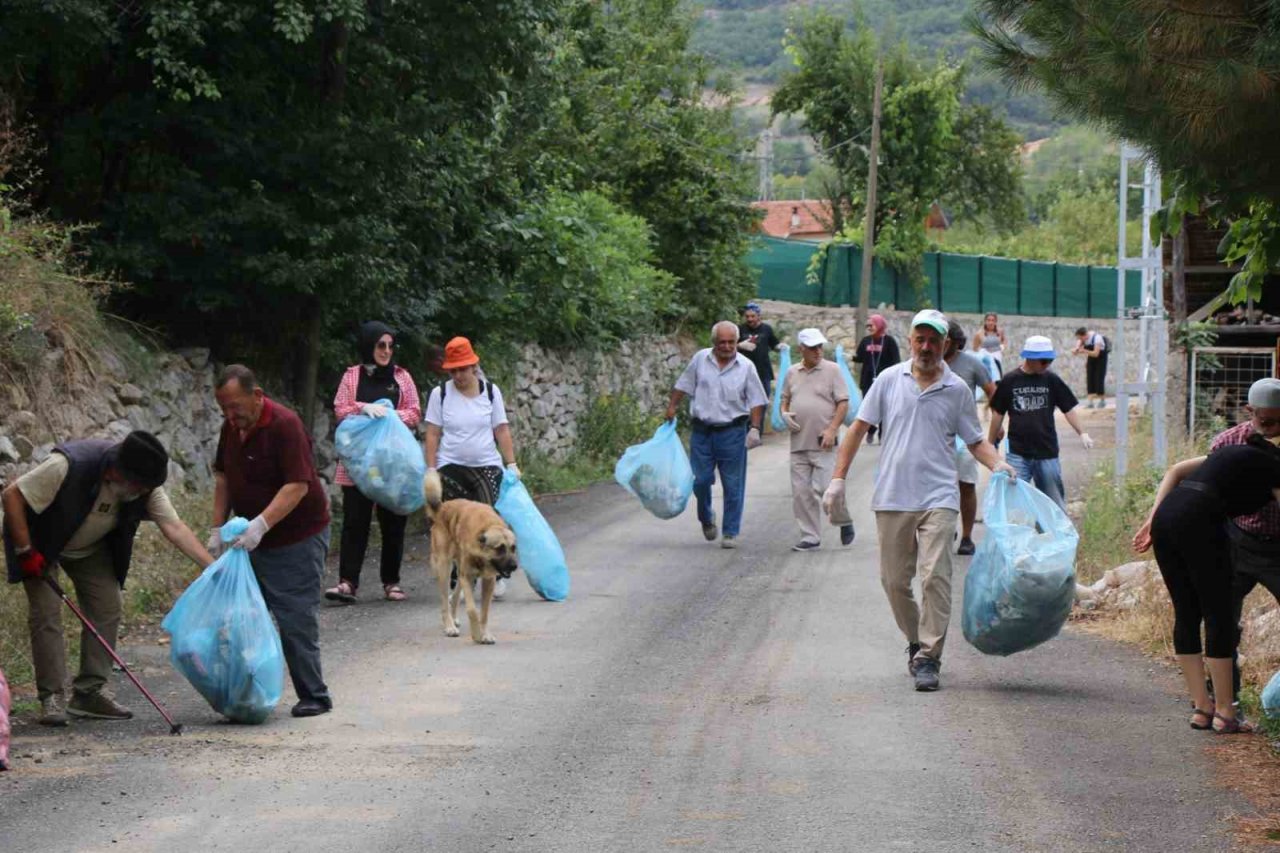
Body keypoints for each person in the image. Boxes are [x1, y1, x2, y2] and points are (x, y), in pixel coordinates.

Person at [823, 309, 1016, 692]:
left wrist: (999, 465)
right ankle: (915, 640)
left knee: (935, 578)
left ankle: (929, 656)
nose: (926, 347)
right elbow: (859, 428)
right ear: (910, 341)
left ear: (946, 345)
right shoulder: (888, 381)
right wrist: (838, 479)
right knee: (894, 582)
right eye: (920, 339)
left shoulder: (957, 389)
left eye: (934, 341)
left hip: (939, 497)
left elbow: (975, 441)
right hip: (893, 495)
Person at [2, 431, 214, 726]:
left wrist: (213, 568)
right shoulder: (68, 465)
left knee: (107, 606)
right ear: (118, 472)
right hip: (40, 544)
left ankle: (88, 694)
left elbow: (174, 527)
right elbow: (12, 494)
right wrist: (25, 550)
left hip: (91, 548)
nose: (143, 494)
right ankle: (51, 696)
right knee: (46, 614)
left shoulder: (145, 486)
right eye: (139, 487)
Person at [1131, 430, 1280, 733]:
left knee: (1187, 612)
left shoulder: (1233, 453)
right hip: (1200, 519)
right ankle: (1225, 712)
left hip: (1168, 516)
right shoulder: (1276, 467)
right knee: (1219, 614)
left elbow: (1175, 470)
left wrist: (1152, 519)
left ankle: (1202, 707)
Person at [211, 365, 334, 718]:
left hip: (298, 537)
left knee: (294, 616)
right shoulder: (231, 429)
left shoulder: (285, 425)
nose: (231, 416)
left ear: (258, 395)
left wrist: (261, 524)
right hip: (247, 543)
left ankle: (315, 694)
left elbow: (297, 485)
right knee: (242, 618)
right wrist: (215, 530)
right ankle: (244, 696)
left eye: (235, 407)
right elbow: (223, 479)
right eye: (224, 409)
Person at [325, 322, 422, 604]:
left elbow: (415, 412)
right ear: (368, 345)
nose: (386, 351)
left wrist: (391, 417)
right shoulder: (352, 377)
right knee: (356, 521)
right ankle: (347, 582)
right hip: (359, 464)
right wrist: (364, 409)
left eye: (390, 346)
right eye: (381, 345)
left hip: (393, 465)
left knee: (394, 521)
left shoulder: (402, 378)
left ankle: (391, 581)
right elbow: (341, 409)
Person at [423, 336, 521, 598]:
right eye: (453, 370)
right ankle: (461, 580)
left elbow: (501, 428)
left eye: (462, 369)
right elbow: (432, 433)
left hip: (486, 465)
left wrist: (511, 464)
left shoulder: (491, 392)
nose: (458, 375)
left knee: (490, 522)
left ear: (473, 366)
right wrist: (431, 469)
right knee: (457, 526)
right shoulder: (440, 394)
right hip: (451, 465)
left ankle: (496, 573)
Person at [665, 320, 769, 549]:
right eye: (722, 342)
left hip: (732, 432)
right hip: (702, 432)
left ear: (736, 341)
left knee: (733, 484)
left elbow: (757, 400)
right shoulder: (700, 360)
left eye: (731, 342)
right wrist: (672, 407)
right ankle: (706, 516)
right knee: (699, 481)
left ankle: (730, 531)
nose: (727, 346)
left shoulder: (745, 367)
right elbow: (683, 384)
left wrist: (754, 428)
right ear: (714, 342)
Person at [1208, 377, 1280, 703]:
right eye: (1265, 421)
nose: (1273, 428)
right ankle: (1225, 700)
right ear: (1249, 411)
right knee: (1222, 621)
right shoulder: (1227, 444)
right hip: (1237, 542)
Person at [987, 335, 1093, 513]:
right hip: (1018, 453)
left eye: (1049, 360)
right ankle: (1019, 537)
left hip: (1047, 451)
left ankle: (1057, 538)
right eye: (1043, 361)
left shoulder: (1051, 380)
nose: (1047, 364)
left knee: (1053, 502)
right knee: (1014, 502)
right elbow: (998, 412)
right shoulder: (1010, 380)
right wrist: (990, 444)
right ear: (1029, 358)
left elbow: (1068, 409)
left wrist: (1082, 432)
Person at [779, 328, 855, 551]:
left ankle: (843, 520)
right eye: (812, 347)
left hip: (824, 441)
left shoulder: (832, 370)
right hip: (798, 441)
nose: (818, 351)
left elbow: (843, 402)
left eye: (820, 347)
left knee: (826, 489)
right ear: (801, 348)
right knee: (801, 493)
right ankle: (810, 536)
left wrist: (832, 429)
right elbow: (785, 398)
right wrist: (784, 413)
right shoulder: (793, 372)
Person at [942, 320, 998, 555]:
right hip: (934, 436)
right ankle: (944, 529)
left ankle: (966, 536)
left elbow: (993, 392)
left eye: (944, 339)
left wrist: (998, 420)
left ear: (954, 343)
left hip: (964, 437)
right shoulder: (926, 363)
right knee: (939, 487)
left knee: (966, 485)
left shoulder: (971, 364)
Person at [853, 314, 900, 445]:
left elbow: (896, 360)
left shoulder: (889, 341)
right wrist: (847, 357)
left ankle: (882, 434)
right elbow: (859, 358)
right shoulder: (866, 341)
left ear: (879, 325)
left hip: (885, 381)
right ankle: (871, 430)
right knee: (868, 407)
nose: (869, 328)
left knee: (884, 408)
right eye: (867, 325)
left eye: (871, 325)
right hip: (867, 380)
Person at [737, 302, 784, 402]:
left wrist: (782, 347)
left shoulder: (766, 329)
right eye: (747, 316)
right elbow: (730, 348)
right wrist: (739, 345)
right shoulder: (740, 329)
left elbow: (774, 345)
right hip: (743, 372)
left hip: (763, 372)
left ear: (759, 316)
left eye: (753, 316)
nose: (750, 319)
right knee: (743, 402)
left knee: (762, 402)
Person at [1072, 327, 1109, 409]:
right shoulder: (1081, 339)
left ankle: (1102, 401)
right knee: (1090, 379)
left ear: (1085, 335)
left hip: (1101, 358)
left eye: (1080, 338)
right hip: (1091, 358)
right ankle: (1090, 402)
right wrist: (1076, 350)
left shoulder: (1097, 338)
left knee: (1099, 378)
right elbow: (1078, 347)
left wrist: (1084, 351)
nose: (1080, 340)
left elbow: (1096, 353)